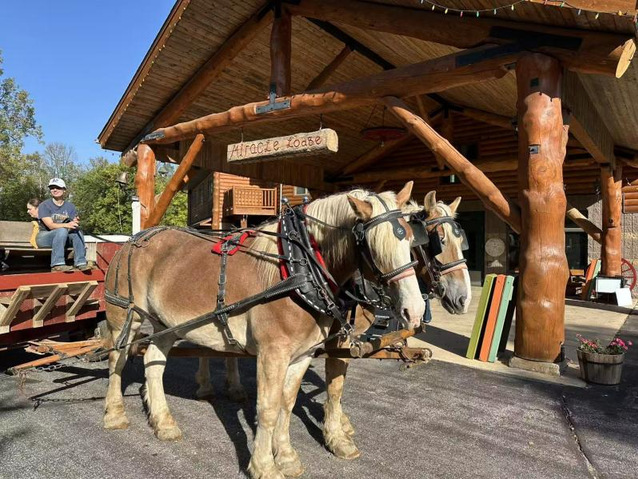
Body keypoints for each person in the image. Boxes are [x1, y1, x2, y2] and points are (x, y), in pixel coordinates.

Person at [36, 178, 91, 272]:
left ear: (64, 190)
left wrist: (75, 222)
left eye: (58, 187)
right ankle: (57, 264)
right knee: (62, 230)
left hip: (63, 237)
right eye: (52, 188)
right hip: (45, 237)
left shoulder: (70, 206)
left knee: (77, 231)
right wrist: (67, 225)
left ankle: (81, 262)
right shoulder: (44, 205)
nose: (55, 190)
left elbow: (72, 224)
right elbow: (50, 226)